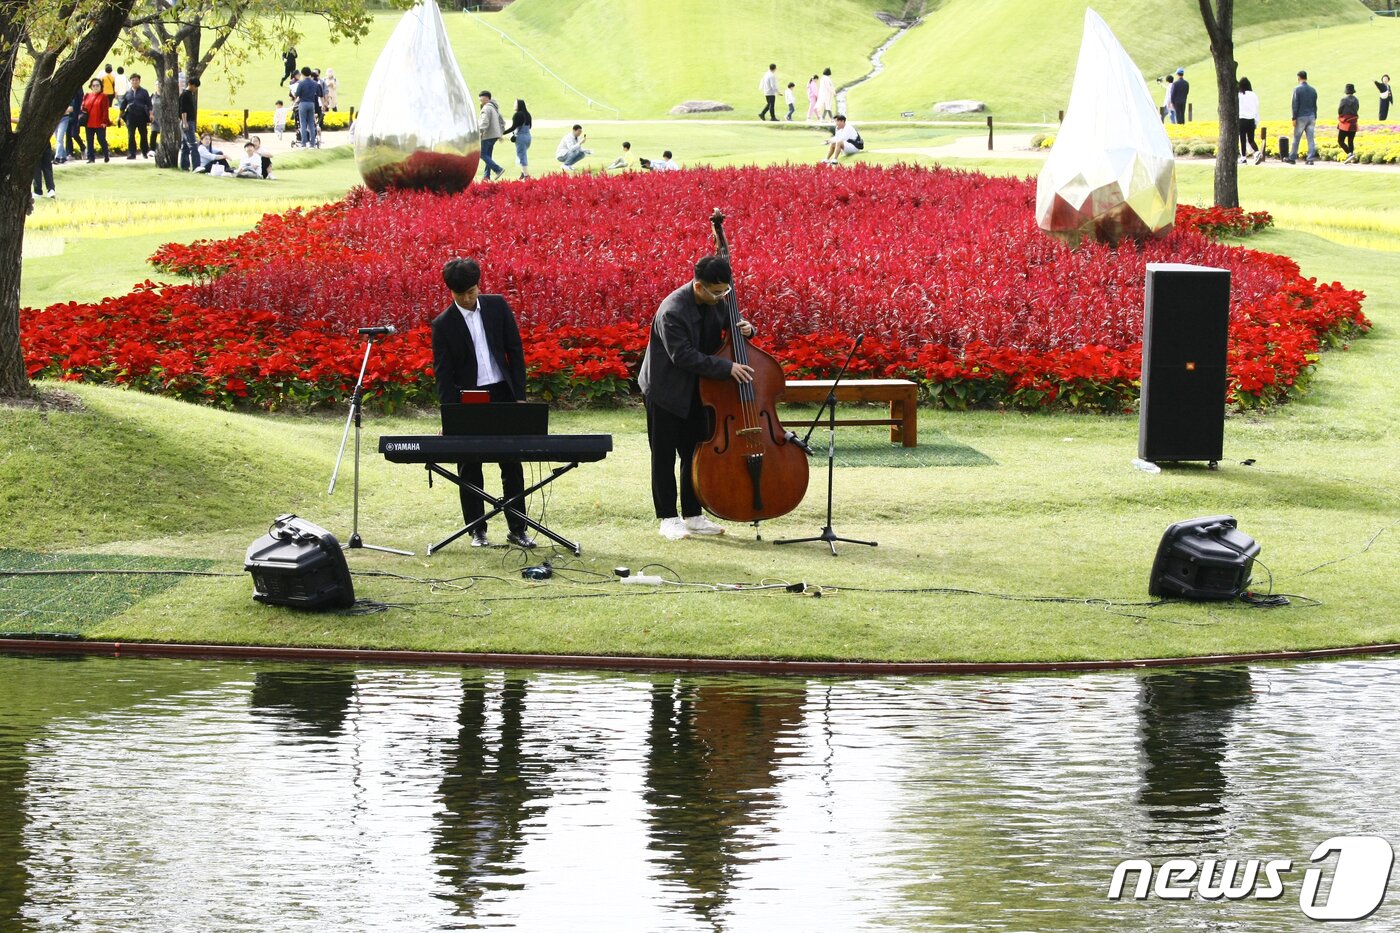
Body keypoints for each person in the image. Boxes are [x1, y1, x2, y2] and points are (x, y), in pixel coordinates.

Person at [637, 255, 755, 540]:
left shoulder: (718, 300)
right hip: (665, 391)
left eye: (725, 291)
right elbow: (683, 356)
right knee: (664, 456)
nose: (722, 297)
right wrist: (727, 368)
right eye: (717, 292)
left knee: (695, 453)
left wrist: (749, 329)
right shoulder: (672, 311)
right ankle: (667, 517)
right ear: (699, 287)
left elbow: (735, 325)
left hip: (700, 392)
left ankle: (693, 515)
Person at [431, 258, 535, 550]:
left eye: (472, 291)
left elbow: (515, 351)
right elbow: (443, 375)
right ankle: (477, 529)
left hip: (502, 391)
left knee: (511, 463)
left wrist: (519, 396)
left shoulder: (498, 306)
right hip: (468, 398)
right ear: (451, 292)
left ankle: (518, 528)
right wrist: (450, 416)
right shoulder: (443, 324)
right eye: (461, 293)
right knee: (469, 465)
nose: (468, 298)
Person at [1288, 69, 1318, 165]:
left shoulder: (1297, 89)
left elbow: (1295, 104)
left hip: (1301, 116)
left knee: (1296, 138)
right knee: (1311, 139)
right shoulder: (1313, 90)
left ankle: (1292, 157)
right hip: (1311, 116)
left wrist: (1293, 118)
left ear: (1299, 78)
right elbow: (1315, 105)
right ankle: (1310, 159)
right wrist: (1315, 116)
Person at [120, 73, 152, 159]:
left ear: (139, 81)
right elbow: (122, 106)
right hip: (131, 116)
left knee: (143, 134)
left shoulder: (144, 92)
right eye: (133, 80)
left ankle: (145, 152)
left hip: (141, 116)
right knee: (131, 135)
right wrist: (119, 116)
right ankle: (131, 153)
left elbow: (149, 104)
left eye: (136, 80)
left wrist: (151, 114)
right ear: (130, 81)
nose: (135, 82)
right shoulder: (127, 93)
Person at [477, 90, 506, 181]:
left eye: (481, 97)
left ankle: (498, 169)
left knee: (482, 154)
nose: (479, 99)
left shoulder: (486, 108)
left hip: (487, 135)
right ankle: (486, 176)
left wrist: (479, 132)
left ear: (486, 98)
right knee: (488, 155)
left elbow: (484, 123)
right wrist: (500, 133)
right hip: (494, 136)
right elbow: (502, 121)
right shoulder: (494, 107)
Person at [81, 78, 111, 163]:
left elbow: (105, 110)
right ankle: (91, 158)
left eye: (97, 85)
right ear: (91, 87)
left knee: (101, 139)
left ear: (101, 86)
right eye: (93, 85)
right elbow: (83, 107)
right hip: (89, 123)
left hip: (100, 123)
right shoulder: (87, 95)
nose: (95, 87)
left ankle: (106, 154)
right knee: (89, 141)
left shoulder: (104, 96)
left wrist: (104, 122)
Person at [503, 98, 533, 178]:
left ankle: (526, 175)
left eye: (515, 104)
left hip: (521, 138)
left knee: (521, 156)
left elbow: (513, 127)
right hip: (528, 136)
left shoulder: (517, 115)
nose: (514, 105)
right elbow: (530, 126)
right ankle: (523, 173)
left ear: (519, 105)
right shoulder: (528, 114)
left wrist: (502, 133)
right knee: (523, 154)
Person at [293, 67, 320, 149]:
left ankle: (304, 142)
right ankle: (312, 143)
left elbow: (297, 94)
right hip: (311, 103)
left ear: (302, 73)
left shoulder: (301, 83)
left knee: (303, 124)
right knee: (311, 124)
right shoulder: (315, 83)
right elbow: (318, 93)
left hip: (303, 103)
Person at [178, 77, 200, 171]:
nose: (196, 88)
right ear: (190, 84)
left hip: (190, 121)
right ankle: (196, 166)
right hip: (187, 121)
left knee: (185, 145)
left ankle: (184, 165)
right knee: (193, 144)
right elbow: (183, 110)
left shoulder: (191, 94)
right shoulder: (185, 95)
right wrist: (185, 122)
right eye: (195, 86)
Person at [1237, 76, 1261, 164]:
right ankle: (1257, 152)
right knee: (1251, 139)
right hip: (1251, 120)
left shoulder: (1239, 95)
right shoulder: (1253, 95)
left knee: (1242, 140)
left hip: (1242, 119)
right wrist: (1256, 121)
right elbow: (1256, 108)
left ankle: (1243, 158)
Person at [1338, 83, 1360, 164]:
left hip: (1345, 122)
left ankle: (1349, 154)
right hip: (1353, 122)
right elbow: (1357, 108)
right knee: (1350, 141)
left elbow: (1340, 110)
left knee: (1340, 140)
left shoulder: (1343, 100)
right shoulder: (1356, 100)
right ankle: (1352, 157)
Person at [33, 124, 56, 199]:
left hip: (35, 142)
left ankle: (38, 191)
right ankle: (51, 189)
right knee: (47, 168)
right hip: (46, 140)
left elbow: (23, 122)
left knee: (36, 168)